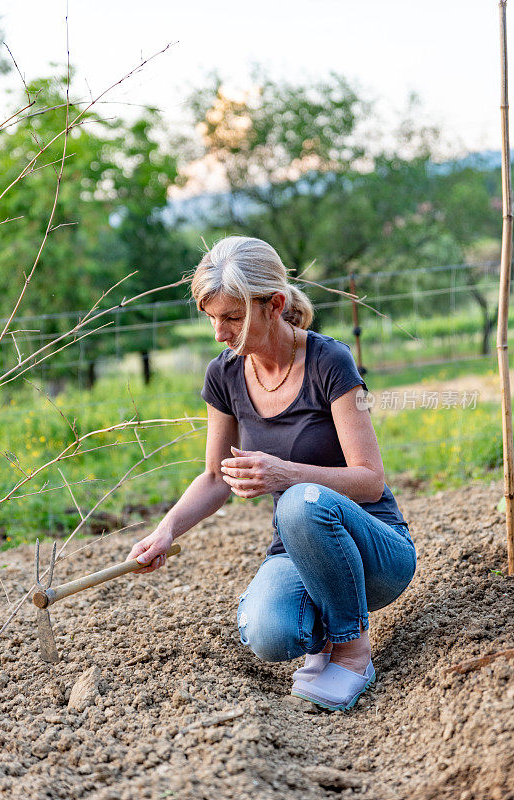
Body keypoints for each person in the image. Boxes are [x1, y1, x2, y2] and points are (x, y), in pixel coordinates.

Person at [127, 235, 417, 712]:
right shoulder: (223, 375)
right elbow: (215, 478)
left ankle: (352, 649)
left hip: (376, 551)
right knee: (268, 632)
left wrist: (284, 473)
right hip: (299, 549)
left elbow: (371, 479)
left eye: (232, 318)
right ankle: (320, 637)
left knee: (301, 500)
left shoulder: (332, 361)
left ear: (275, 304)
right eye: (212, 318)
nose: (219, 333)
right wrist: (165, 530)